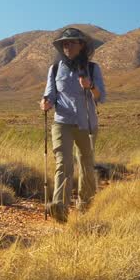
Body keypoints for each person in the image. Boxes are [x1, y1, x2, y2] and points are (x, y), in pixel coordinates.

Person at [39, 27, 105, 222]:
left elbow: (101, 97)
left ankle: (86, 206)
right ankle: (60, 207)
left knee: (86, 164)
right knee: (64, 163)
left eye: (71, 42)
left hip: (87, 123)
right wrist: (46, 103)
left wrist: (90, 86)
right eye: (64, 43)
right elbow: (49, 94)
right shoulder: (55, 69)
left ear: (81, 45)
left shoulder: (93, 69)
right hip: (62, 122)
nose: (67, 46)